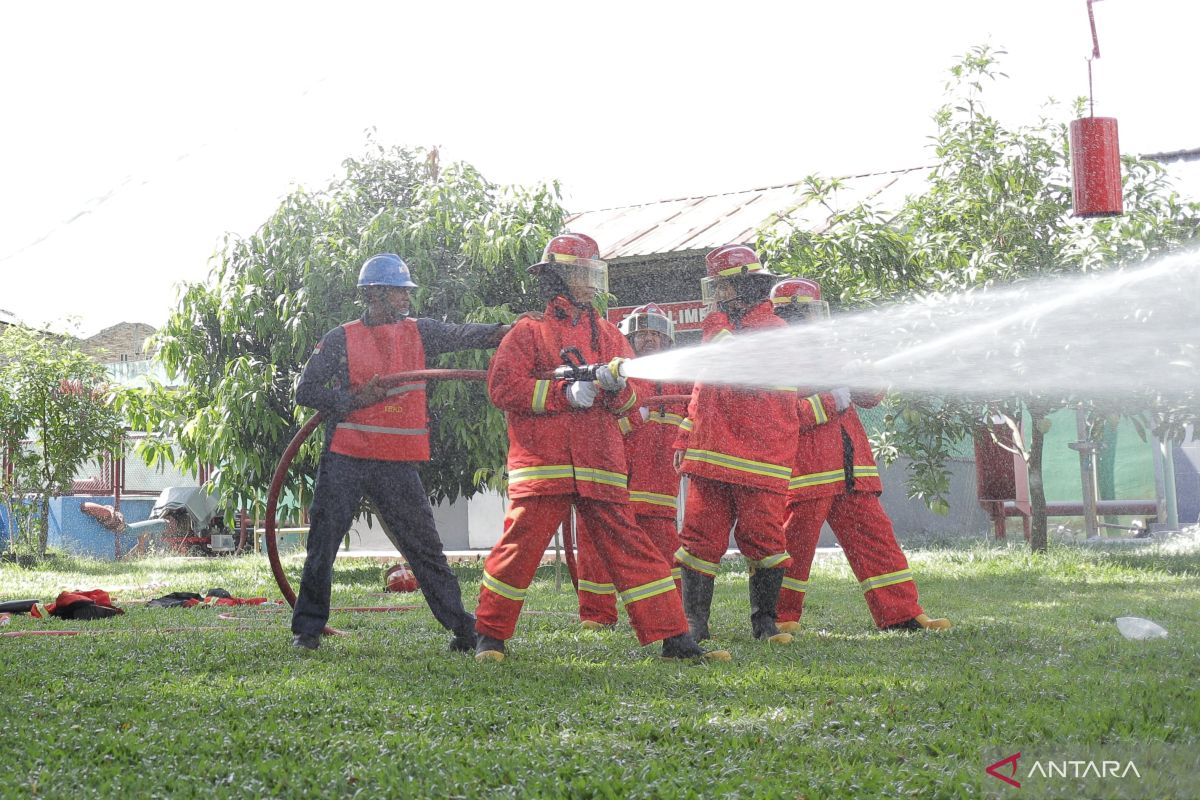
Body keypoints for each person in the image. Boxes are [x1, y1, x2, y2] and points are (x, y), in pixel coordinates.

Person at [477, 233, 727, 662]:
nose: (592, 284)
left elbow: (633, 403)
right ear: (558, 276)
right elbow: (503, 388)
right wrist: (564, 395)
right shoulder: (528, 331)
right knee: (520, 549)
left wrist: (612, 390)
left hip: (600, 465)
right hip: (545, 464)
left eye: (594, 274)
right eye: (582, 274)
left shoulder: (610, 336)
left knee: (634, 550)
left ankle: (675, 638)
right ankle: (489, 636)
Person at [290, 253, 512, 652]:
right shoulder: (341, 338)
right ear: (374, 294)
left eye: (407, 291)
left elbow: (463, 335)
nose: (406, 298)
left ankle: (462, 628)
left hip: (395, 463)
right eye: (398, 291)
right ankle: (307, 632)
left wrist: (507, 331)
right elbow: (305, 391)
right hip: (348, 456)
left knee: (424, 547)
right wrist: (353, 398)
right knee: (323, 543)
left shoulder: (421, 332)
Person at [769, 277, 952, 633]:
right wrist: (828, 401)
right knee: (794, 545)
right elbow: (780, 416)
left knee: (877, 541)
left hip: (852, 470)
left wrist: (865, 375)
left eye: (806, 311)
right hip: (807, 472)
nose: (801, 319)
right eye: (794, 312)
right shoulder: (773, 360)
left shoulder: (831, 351)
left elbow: (871, 397)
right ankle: (778, 619)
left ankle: (902, 615)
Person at [673, 245, 798, 645]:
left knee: (764, 539)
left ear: (741, 287)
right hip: (711, 453)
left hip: (758, 457)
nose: (717, 296)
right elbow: (703, 388)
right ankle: (695, 623)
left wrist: (715, 329)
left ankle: (765, 623)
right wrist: (685, 435)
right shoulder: (725, 327)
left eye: (722, 288)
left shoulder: (773, 330)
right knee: (699, 538)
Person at [574, 303, 691, 629]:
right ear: (628, 339)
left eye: (655, 333)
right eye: (641, 334)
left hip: (659, 489)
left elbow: (696, 414)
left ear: (667, 339)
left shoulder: (679, 380)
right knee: (597, 547)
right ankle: (596, 616)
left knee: (667, 555)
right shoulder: (615, 375)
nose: (649, 339)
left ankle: (673, 613)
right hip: (616, 481)